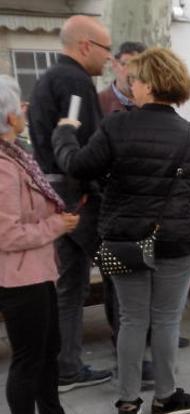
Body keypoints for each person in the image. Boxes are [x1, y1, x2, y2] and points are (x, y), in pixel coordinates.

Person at [53, 47, 190, 414]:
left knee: (131, 318)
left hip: (121, 238)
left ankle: (127, 404)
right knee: (167, 320)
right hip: (179, 238)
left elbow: (76, 166)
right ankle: (166, 398)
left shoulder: (115, 126)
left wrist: (65, 133)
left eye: (135, 79)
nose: (130, 84)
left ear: (151, 84)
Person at [0, 75, 101, 414]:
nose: (25, 109)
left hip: (37, 270)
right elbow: (7, 234)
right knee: (29, 358)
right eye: (20, 105)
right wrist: (57, 225)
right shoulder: (3, 166)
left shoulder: (15, 155)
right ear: (11, 118)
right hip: (18, 277)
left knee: (48, 350)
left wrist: (57, 214)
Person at [26, 14, 113, 393]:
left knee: (71, 285)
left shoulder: (48, 79)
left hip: (55, 194)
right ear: (85, 46)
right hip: (78, 200)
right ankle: (130, 361)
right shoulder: (75, 83)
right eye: (106, 50)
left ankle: (66, 367)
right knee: (121, 272)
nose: (108, 59)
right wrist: (96, 190)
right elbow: (78, 150)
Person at [98, 41, 146, 115]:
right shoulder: (98, 102)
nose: (133, 71)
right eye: (127, 64)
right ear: (114, 65)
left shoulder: (153, 104)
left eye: (139, 66)